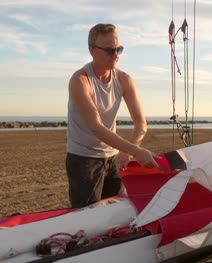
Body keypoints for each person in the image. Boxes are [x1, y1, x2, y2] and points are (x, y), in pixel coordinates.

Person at [66, 23, 160, 208]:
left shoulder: (124, 79)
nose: (115, 54)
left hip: (114, 157)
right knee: (87, 217)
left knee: (116, 211)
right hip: (84, 159)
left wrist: (126, 152)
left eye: (119, 49)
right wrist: (137, 152)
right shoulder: (80, 80)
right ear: (92, 51)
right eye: (109, 50)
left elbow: (141, 123)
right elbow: (97, 127)